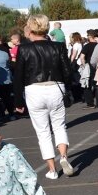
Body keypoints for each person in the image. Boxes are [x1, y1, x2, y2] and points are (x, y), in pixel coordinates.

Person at [12, 14, 76, 180]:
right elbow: (67, 71)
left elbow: (18, 76)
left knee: (43, 132)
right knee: (60, 126)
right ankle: (63, 157)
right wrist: (67, 89)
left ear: (31, 28)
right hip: (55, 87)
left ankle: (52, 170)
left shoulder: (24, 49)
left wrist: (18, 101)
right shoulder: (58, 47)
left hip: (34, 90)